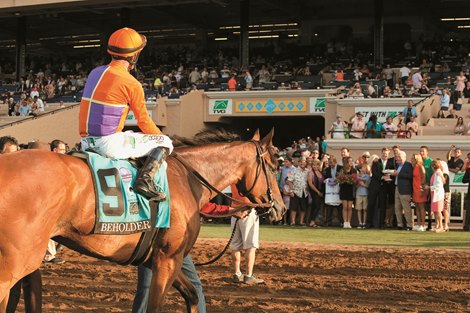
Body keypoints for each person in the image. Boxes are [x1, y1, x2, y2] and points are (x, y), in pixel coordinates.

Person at [78, 27, 173, 202]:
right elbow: (143, 121)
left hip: (85, 142)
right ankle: (144, 181)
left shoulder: (95, 72)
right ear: (134, 56)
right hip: (108, 144)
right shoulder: (131, 83)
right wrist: (161, 137)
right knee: (166, 142)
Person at [132, 202, 250, 313]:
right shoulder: (178, 183)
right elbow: (200, 205)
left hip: (155, 242)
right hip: (170, 243)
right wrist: (230, 210)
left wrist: (230, 210)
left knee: (146, 288)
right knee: (191, 285)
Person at [1, 136, 42, 313]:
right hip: (6, 240)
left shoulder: (22, 180)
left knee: (32, 279)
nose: (15, 160)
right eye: (10, 155)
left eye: (17, 154)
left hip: (22, 241)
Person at [230, 185, 264, 285]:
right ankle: (248, 275)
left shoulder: (234, 180)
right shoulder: (247, 179)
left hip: (234, 210)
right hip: (247, 210)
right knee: (251, 246)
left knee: (235, 245)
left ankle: (237, 273)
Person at [391, 151, 413, 230]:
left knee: (406, 208)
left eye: (399, 157)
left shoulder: (408, 165)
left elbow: (410, 176)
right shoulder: (397, 165)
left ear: (404, 157)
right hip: (397, 188)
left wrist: (398, 174)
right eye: (397, 157)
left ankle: (409, 225)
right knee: (397, 208)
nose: (397, 158)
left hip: (405, 189)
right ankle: (400, 224)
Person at [288, 158, 309, 226]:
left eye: (304, 162)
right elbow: (289, 181)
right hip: (295, 191)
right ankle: (293, 222)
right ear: (299, 163)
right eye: (301, 162)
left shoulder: (308, 171)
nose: (302, 164)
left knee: (303, 208)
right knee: (293, 207)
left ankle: (301, 221)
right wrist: (291, 191)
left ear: (306, 163)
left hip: (304, 192)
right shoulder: (294, 171)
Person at [426, 160, 445, 232]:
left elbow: (438, 186)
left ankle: (441, 226)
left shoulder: (438, 173)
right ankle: (437, 225)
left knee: (438, 211)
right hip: (434, 195)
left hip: (438, 195)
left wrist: (429, 187)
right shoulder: (436, 173)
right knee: (435, 211)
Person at [338, 157, 356, 229]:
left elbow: (355, 179)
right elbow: (339, 179)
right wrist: (343, 179)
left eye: (352, 161)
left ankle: (349, 222)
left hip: (351, 190)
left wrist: (351, 179)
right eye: (349, 161)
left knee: (349, 207)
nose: (351, 163)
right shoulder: (342, 170)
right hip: (344, 189)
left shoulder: (354, 170)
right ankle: (345, 222)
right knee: (345, 207)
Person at [411, 154, 427, 232]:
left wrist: (421, 189)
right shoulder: (414, 167)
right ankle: (418, 223)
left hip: (420, 189)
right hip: (415, 189)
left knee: (421, 207)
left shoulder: (421, 167)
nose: (412, 159)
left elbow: (424, 178)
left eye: (413, 158)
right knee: (416, 206)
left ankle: (423, 225)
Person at [307, 159, 324, 227]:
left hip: (320, 191)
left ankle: (313, 221)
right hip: (314, 192)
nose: (315, 166)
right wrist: (317, 191)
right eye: (313, 165)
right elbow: (310, 184)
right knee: (316, 206)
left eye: (316, 165)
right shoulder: (311, 173)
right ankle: (311, 221)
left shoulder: (320, 172)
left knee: (317, 207)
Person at [355, 163, 370, 229]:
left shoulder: (367, 176)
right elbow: (356, 186)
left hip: (365, 193)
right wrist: (358, 183)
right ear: (360, 169)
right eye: (364, 167)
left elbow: (368, 186)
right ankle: (360, 222)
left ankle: (364, 222)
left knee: (365, 209)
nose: (365, 169)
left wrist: (363, 184)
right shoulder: (356, 176)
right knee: (359, 209)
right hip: (358, 193)